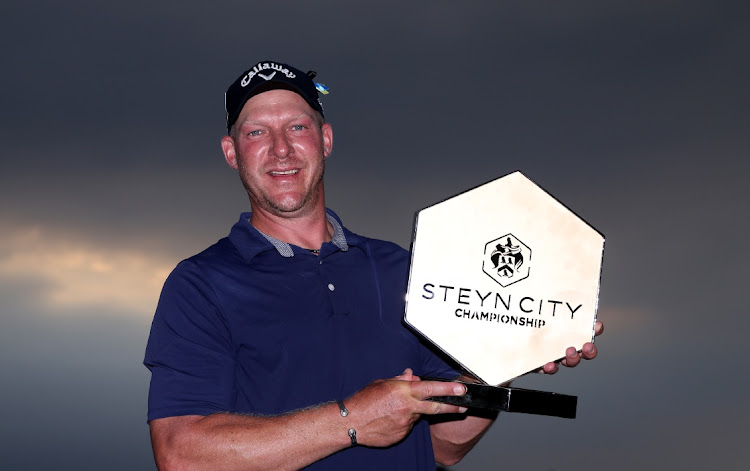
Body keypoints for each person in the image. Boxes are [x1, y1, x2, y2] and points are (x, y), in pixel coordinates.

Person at [144, 60, 603, 470]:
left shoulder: (403, 270)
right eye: (256, 132)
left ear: (325, 140)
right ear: (232, 153)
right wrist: (352, 420)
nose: (281, 149)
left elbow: (445, 447)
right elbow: (182, 456)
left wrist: (507, 353)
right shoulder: (200, 284)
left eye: (298, 128)